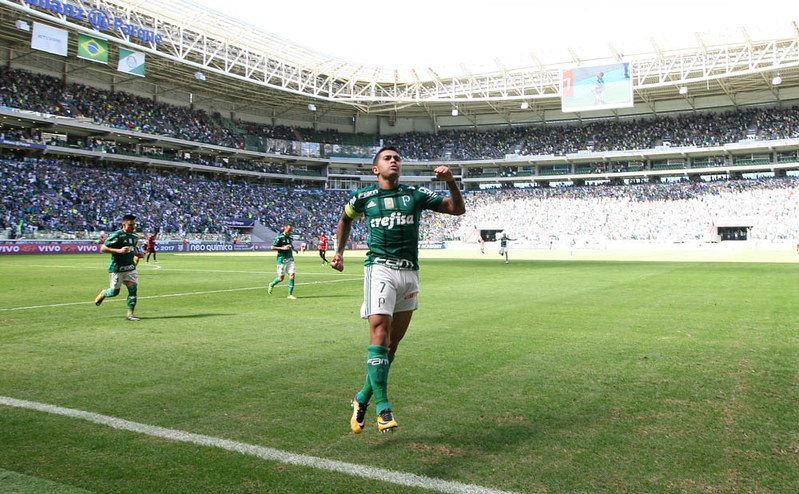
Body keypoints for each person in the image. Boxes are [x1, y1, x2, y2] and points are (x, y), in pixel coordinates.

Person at [330, 146, 465, 433]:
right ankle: (383, 408)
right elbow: (345, 220)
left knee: (392, 345)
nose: (394, 162)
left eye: (397, 159)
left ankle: (361, 398)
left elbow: (457, 209)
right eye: (387, 159)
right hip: (379, 268)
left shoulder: (414, 195)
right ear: (375, 169)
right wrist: (338, 252)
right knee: (379, 333)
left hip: (410, 273)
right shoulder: (362, 198)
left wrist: (451, 181)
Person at [94, 214, 145, 321]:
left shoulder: (135, 237)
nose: (133, 227)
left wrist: (138, 254)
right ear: (124, 225)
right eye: (130, 225)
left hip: (130, 268)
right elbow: (103, 248)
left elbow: (133, 250)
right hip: (117, 269)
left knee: (133, 290)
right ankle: (104, 293)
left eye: (134, 224)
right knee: (114, 292)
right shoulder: (117, 235)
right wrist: (119, 251)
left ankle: (130, 314)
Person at [268, 223, 297, 299]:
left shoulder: (290, 237)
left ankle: (290, 294)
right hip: (281, 259)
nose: (289, 232)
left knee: (292, 276)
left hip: (290, 259)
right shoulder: (279, 237)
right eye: (288, 230)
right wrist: (282, 248)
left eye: (290, 230)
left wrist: (294, 249)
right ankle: (272, 284)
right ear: (285, 229)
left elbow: (290, 244)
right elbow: (272, 247)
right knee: (281, 278)